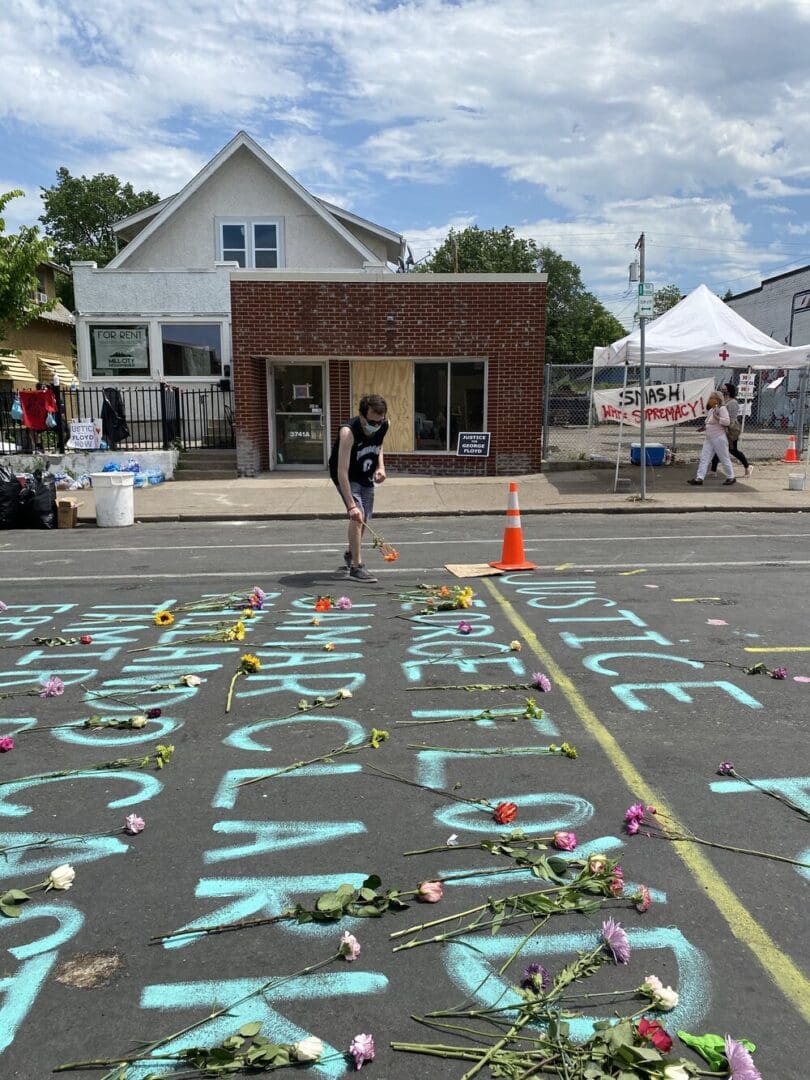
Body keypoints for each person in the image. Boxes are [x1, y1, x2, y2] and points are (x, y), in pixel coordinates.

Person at [328, 394, 389, 582]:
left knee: (364, 519)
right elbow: (342, 471)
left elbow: (378, 445)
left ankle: (350, 552)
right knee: (357, 514)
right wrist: (350, 506)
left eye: (381, 421)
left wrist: (381, 467)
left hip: (366, 473)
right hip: (347, 474)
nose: (377, 425)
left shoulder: (384, 424)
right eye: (372, 422)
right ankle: (357, 566)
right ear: (362, 416)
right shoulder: (348, 432)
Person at [688, 389, 735, 486]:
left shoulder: (722, 408)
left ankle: (731, 477)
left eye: (712, 398)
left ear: (717, 399)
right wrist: (704, 428)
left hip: (718, 437)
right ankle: (699, 478)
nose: (710, 400)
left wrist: (717, 418)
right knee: (704, 458)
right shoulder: (713, 409)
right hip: (709, 437)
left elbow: (727, 422)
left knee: (724, 457)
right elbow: (708, 422)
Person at [709, 382, 753, 478]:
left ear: (729, 390)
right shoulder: (724, 400)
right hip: (722, 427)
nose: (722, 390)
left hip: (731, 429)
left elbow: (731, 419)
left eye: (724, 389)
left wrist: (720, 419)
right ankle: (713, 470)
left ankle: (747, 466)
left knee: (733, 450)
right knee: (718, 448)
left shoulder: (732, 402)